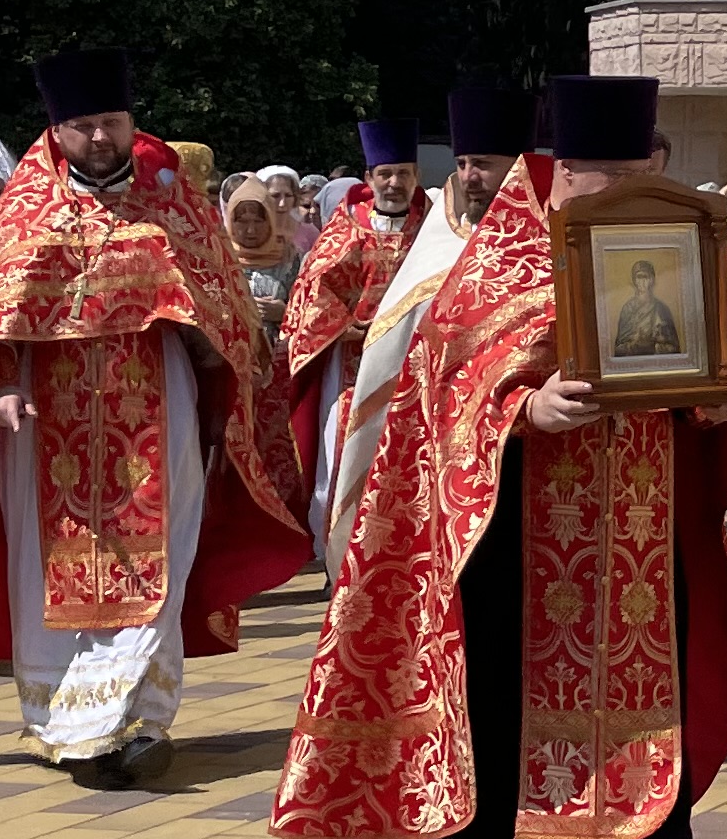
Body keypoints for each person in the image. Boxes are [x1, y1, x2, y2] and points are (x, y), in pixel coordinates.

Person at [277, 75, 727, 839]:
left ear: (653, 163)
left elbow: (716, 351)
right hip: (517, 534)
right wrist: (523, 410)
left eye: (628, 171)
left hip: (643, 527)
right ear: (557, 169)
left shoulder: (679, 238)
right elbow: (446, 381)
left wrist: (726, 397)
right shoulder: (503, 256)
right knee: (504, 692)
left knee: (646, 697)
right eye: (590, 176)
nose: (609, 191)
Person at [0, 49, 311, 787]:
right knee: (50, 564)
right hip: (44, 418)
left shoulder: (173, 203)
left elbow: (220, 303)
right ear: (57, 128)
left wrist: (209, 348)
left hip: (157, 403)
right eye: (83, 125)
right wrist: (0, 384)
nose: (99, 138)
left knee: (160, 553)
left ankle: (141, 720)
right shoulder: (25, 208)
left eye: (111, 122)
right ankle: (70, 722)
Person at [324, 82, 532, 567]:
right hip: (442, 428)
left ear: (517, 166)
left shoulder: (551, 235)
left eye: (482, 164)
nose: (470, 177)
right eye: (462, 165)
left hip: (524, 432)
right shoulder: (441, 233)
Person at [278, 116, 423, 546]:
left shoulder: (435, 229)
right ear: (369, 178)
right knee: (341, 456)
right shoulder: (346, 228)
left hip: (413, 365)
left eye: (403, 173)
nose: (394, 183)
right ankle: (338, 552)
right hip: (353, 368)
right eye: (385, 174)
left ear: (416, 176)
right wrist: (346, 325)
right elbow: (313, 292)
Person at [222, 171, 301, 344]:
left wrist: (285, 313)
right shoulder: (219, 258)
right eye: (242, 221)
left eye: (258, 222)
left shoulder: (292, 260)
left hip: (280, 356)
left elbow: (314, 313)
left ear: (271, 220)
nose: (250, 230)